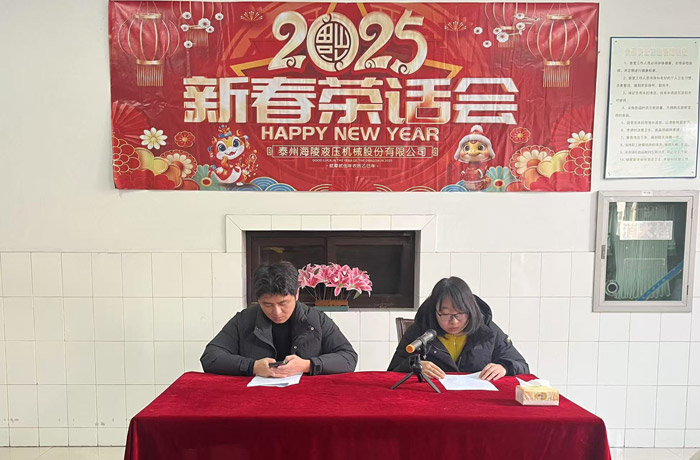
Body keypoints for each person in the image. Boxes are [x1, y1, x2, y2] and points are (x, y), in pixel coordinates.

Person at [201, 261, 358, 377]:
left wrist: (307, 365)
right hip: (256, 396)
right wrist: (252, 366)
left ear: (297, 294)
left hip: (306, 396)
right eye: (267, 304)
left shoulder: (317, 319)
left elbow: (348, 357)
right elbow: (210, 357)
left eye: (283, 303)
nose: (276, 312)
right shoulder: (244, 319)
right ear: (258, 300)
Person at [388, 277, 529, 381]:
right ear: (435, 311)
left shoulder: (487, 330)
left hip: (478, 401)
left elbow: (522, 366)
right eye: (446, 314)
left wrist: (504, 367)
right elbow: (392, 372)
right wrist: (414, 365)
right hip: (432, 398)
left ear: (470, 311)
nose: (454, 321)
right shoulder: (420, 330)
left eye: (460, 314)